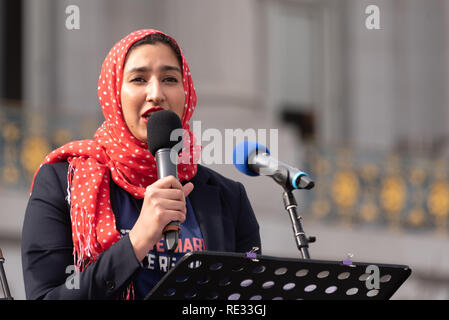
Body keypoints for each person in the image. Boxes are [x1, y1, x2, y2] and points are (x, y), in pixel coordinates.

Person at [21, 29, 261, 300]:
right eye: (138, 79)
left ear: (187, 93)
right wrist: (137, 241)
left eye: (170, 79)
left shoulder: (228, 196)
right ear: (114, 93)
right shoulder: (64, 182)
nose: (156, 93)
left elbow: (249, 282)